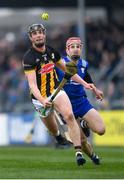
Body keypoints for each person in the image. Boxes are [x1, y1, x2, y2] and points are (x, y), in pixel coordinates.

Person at [22, 24, 93, 166]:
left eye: (40, 32)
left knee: (69, 115)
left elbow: (68, 71)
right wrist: (42, 100)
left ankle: (78, 152)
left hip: (56, 91)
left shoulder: (51, 52)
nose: (38, 35)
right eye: (34, 33)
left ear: (44, 35)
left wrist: (85, 83)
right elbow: (32, 85)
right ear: (31, 37)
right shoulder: (29, 58)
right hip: (39, 98)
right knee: (53, 129)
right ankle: (57, 136)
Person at [56, 37, 106, 164]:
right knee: (82, 140)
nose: (75, 49)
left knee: (101, 130)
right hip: (66, 105)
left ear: (81, 49)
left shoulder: (83, 64)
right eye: (72, 47)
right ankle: (93, 156)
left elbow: (88, 80)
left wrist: (96, 90)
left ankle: (84, 123)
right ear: (67, 50)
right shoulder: (59, 63)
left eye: (78, 47)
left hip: (82, 102)